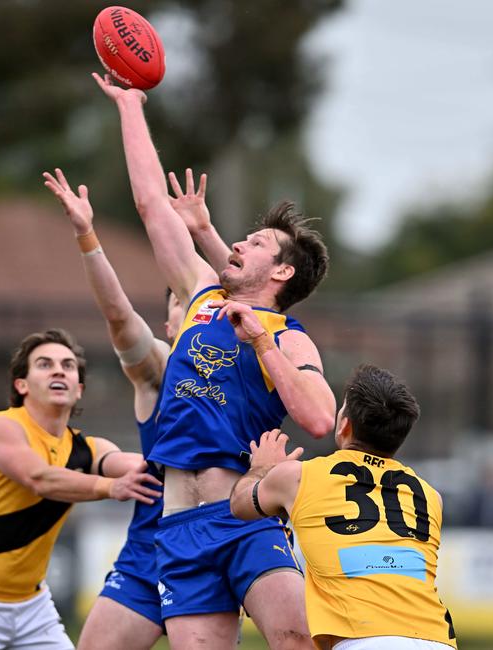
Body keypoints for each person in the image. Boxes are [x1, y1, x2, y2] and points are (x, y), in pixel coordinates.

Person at [93, 71, 336, 649]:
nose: (237, 244)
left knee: (297, 640)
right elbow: (152, 204)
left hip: (243, 518)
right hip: (177, 528)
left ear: (281, 272)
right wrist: (131, 105)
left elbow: (321, 419)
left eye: (255, 244)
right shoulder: (202, 294)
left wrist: (260, 343)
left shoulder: (287, 335)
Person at [0, 329, 162, 650]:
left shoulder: (88, 448)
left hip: (32, 607)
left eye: (68, 366)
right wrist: (111, 487)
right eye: (44, 364)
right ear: (22, 385)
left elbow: (145, 466)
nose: (59, 370)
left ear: (79, 389)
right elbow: (39, 478)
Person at [43, 168, 186, 649]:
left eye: (202, 301)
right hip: (151, 554)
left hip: (219, 550)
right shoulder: (161, 370)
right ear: (168, 325)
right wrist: (87, 234)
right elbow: (120, 314)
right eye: (181, 302)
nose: (194, 307)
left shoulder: (251, 370)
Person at [230, 364, 458, 650]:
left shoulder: (299, 477)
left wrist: (262, 468)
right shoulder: (430, 497)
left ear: (344, 425)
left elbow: (239, 505)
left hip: (364, 641)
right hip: (436, 639)